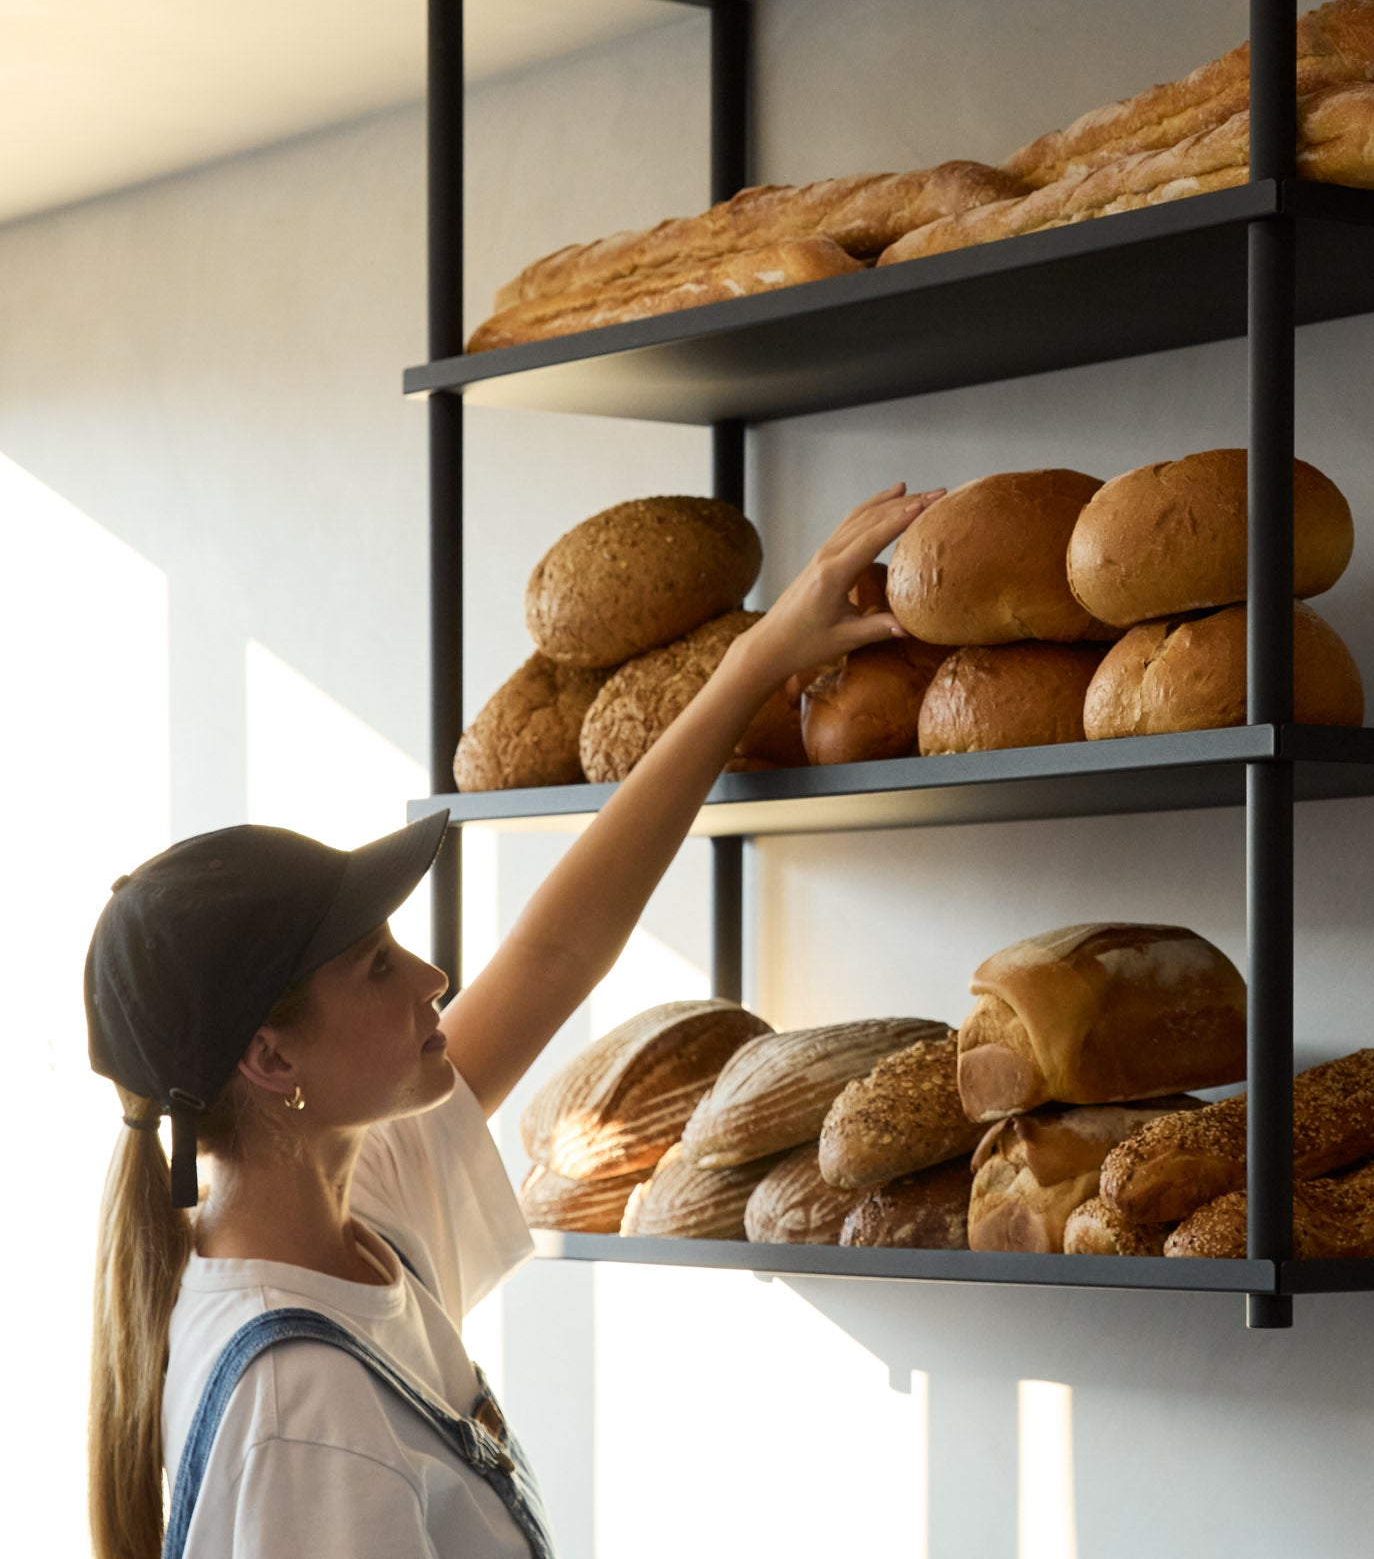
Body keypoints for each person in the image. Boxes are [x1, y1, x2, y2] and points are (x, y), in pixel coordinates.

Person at [83, 483, 939, 1559]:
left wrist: (758, 657)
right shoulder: (299, 1406)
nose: (434, 976)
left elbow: (553, 952)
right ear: (269, 1055)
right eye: (379, 965)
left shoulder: (353, 1224)